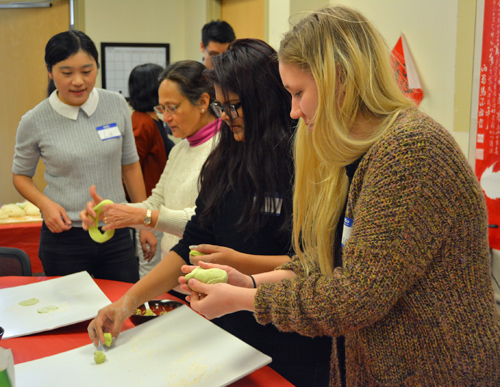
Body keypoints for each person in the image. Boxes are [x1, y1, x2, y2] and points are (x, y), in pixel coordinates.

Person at [180, 6, 500, 387]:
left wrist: (244, 300)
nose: (295, 112)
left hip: (435, 372)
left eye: (298, 94)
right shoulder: (362, 153)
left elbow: (356, 297)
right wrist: (248, 282)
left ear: (340, 79)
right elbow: (329, 261)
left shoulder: (410, 152)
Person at [86, 39, 332, 387]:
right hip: (225, 335)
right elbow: (193, 243)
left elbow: (318, 264)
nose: (226, 117)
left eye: (233, 106)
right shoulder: (225, 159)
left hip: (291, 342)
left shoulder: (308, 162)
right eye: (221, 107)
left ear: (264, 100)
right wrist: (126, 304)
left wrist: (241, 263)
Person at [12, 30, 146, 283]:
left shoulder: (116, 104)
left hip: (115, 229)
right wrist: (45, 204)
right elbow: (20, 176)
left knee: (123, 306)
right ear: (50, 72)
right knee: (68, 312)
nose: (78, 81)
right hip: (63, 236)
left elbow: (130, 166)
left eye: (87, 71)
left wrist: (144, 222)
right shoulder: (34, 120)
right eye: (66, 72)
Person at [81, 60, 221, 278]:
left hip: (205, 275)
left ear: (203, 102)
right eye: (162, 108)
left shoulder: (225, 150)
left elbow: (203, 222)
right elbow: (155, 202)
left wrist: (142, 216)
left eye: (172, 108)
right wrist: (113, 213)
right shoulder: (180, 149)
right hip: (174, 269)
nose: (166, 118)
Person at [127, 63, 175, 278]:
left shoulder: (153, 120)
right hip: (148, 207)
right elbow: (130, 167)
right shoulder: (142, 123)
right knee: (150, 267)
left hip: (156, 208)